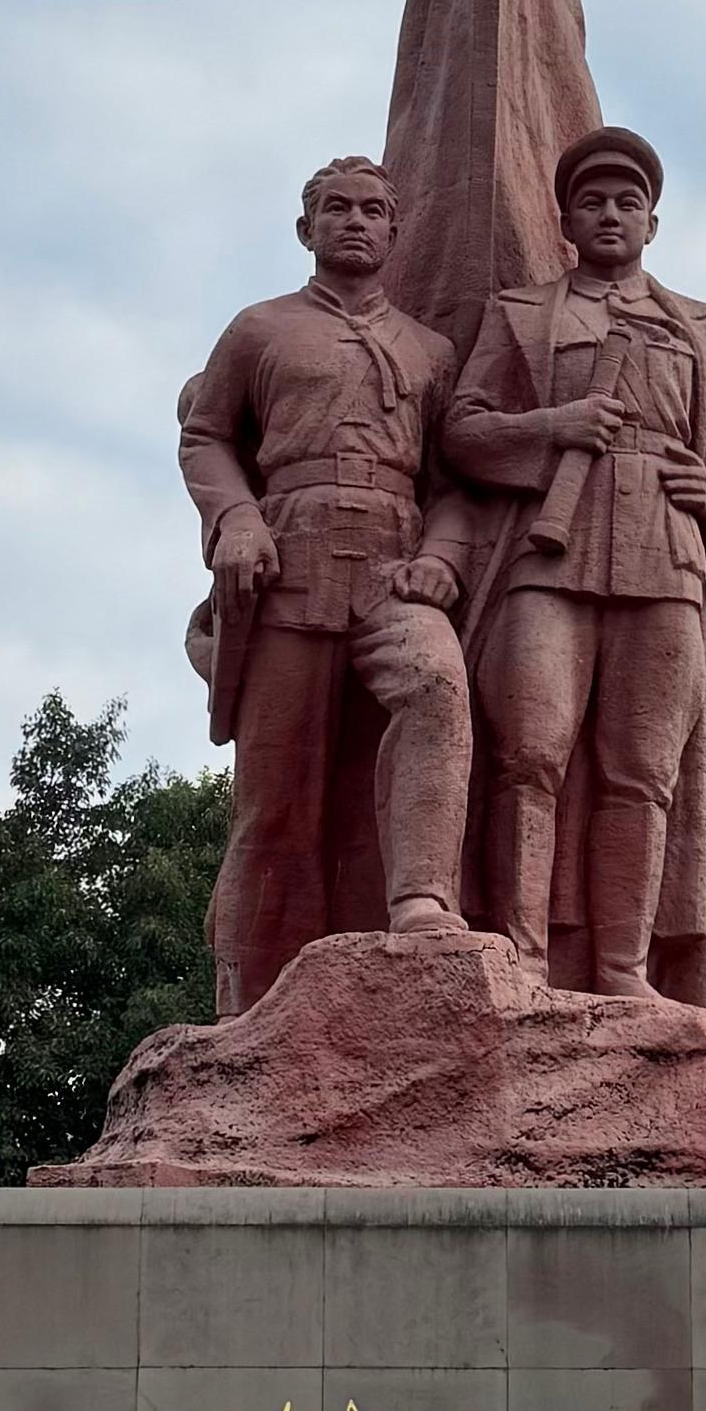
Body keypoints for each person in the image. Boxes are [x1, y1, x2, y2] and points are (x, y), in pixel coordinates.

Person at [442, 126, 706, 997]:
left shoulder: (698, 328)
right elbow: (463, 431)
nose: (609, 215)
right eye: (591, 201)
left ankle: (622, 970)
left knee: (643, 773)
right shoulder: (520, 314)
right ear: (564, 220)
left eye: (627, 203)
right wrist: (550, 426)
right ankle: (521, 954)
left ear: (651, 224)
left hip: (664, 556)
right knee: (529, 751)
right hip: (547, 550)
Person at [179, 155, 475, 1013]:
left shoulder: (430, 351)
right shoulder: (259, 329)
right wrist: (236, 520)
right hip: (290, 561)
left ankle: (420, 898)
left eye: (372, 210)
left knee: (437, 688)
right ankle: (249, 997)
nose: (354, 221)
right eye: (336, 208)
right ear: (306, 228)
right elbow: (205, 436)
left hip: (392, 560)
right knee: (277, 793)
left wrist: (443, 558)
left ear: (394, 232)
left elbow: (455, 482)